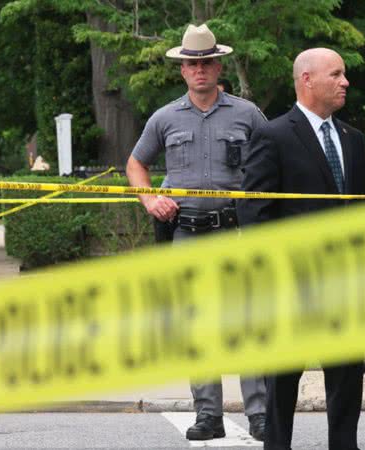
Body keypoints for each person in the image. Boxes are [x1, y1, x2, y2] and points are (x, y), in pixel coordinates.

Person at [125, 23, 267, 442]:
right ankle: (209, 415)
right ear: (183, 70)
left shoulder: (247, 113)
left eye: (206, 62)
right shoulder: (164, 118)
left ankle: (259, 414)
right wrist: (150, 200)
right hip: (186, 235)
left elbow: (269, 161)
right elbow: (136, 164)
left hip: (235, 233)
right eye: (192, 64)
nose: (200, 70)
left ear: (218, 66)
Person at [237, 48, 365, 450]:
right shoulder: (273, 135)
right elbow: (254, 211)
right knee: (282, 381)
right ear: (307, 80)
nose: (345, 82)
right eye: (336, 74)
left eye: (344, 74)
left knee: (347, 378)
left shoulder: (353, 139)